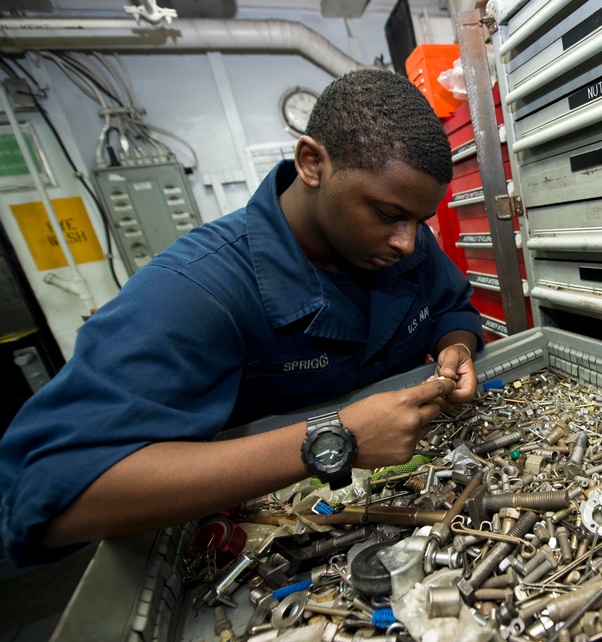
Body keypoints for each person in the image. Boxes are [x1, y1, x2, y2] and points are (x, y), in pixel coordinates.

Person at [0, 69, 483, 566]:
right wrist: (338, 437)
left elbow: (451, 307)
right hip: (271, 540)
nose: (408, 241)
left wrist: (457, 346)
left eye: (418, 222)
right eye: (387, 214)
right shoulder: (195, 290)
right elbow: (44, 495)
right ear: (312, 163)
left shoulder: (403, 247)